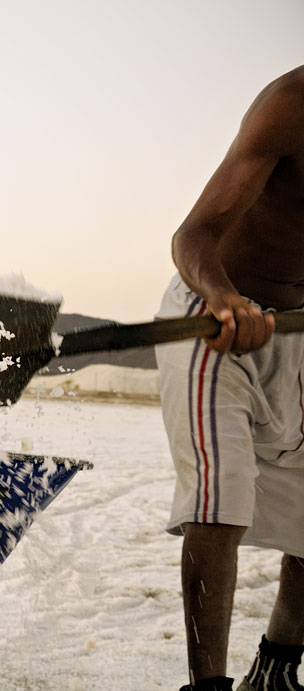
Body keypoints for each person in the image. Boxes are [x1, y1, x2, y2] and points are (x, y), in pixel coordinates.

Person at [156, 66, 304, 691]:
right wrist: (223, 297)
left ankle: (276, 668)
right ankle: (208, 687)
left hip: (296, 329)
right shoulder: (291, 105)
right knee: (220, 498)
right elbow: (194, 234)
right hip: (211, 317)